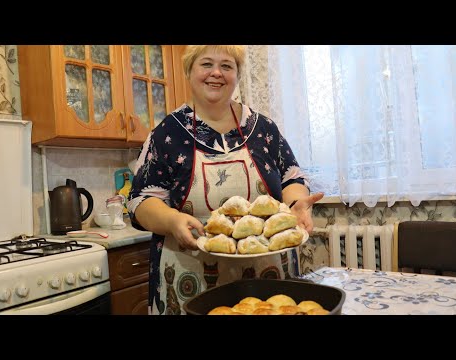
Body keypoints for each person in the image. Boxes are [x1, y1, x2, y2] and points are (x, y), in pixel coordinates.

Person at [127, 45, 324, 315]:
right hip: (191, 277)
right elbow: (142, 201)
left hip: (266, 280)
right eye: (206, 64)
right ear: (189, 70)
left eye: (227, 66)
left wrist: (297, 204)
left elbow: (291, 177)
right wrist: (172, 221)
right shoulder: (166, 134)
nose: (216, 73)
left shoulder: (263, 128)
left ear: (237, 75)